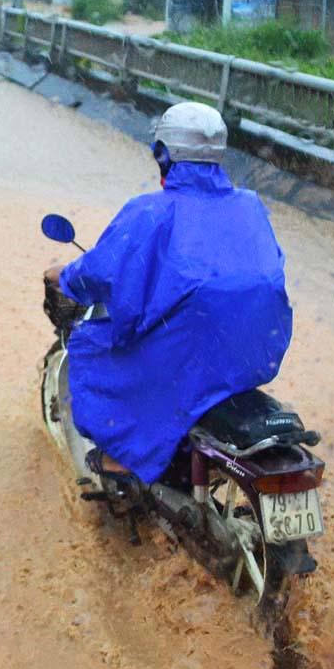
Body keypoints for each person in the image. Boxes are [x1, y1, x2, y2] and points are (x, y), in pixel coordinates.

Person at [44, 102, 293, 483]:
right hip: (255, 352)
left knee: (94, 350)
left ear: (163, 155)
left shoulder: (150, 212)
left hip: (189, 352)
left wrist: (64, 275)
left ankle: (120, 460)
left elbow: (101, 272)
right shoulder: (250, 206)